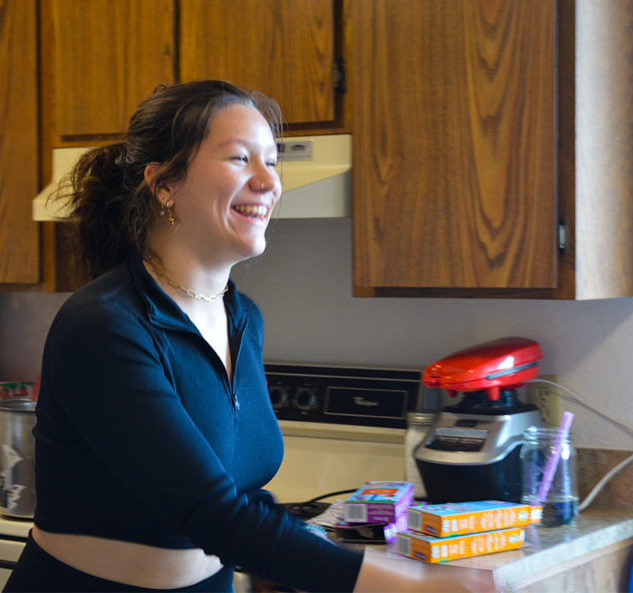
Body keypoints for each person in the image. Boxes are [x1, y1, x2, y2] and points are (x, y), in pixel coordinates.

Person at [5, 80, 495, 593]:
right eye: (241, 159)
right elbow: (211, 514)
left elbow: (242, 499)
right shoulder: (106, 326)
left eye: (273, 161)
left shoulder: (242, 318)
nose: (269, 182)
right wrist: (411, 584)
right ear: (164, 185)